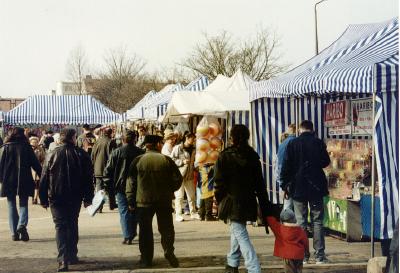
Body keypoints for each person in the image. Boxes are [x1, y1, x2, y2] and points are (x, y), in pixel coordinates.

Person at [214, 124, 269, 273]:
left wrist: (219, 200)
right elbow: (260, 184)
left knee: (240, 234)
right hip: (249, 201)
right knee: (237, 230)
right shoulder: (253, 156)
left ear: (231, 138)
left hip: (231, 201)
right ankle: (232, 263)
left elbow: (218, 183)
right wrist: (265, 206)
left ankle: (254, 268)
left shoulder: (224, 156)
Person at [39, 128, 94, 272]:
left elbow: (44, 178)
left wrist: (43, 198)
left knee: (60, 226)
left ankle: (63, 259)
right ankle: (72, 254)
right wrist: (88, 198)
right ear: (72, 138)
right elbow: (88, 179)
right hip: (75, 196)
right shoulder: (81, 154)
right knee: (72, 223)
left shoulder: (51, 154)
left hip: (56, 196)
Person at [126, 135, 182, 268]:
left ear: (146, 145)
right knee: (166, 228)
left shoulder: (138, 160)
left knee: (145, 231)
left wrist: (130, 200)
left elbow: (130, 183)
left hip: (143, 202)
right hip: (164, 200)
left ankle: (146, 259)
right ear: (157, 144)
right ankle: (169, 251)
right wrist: (170, 190)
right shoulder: (166, 160)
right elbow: (178, 179)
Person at [280, 120, 330, 264]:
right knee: (318, 221)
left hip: (298, 188)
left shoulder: (293, 144)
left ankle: (303, 256)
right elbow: (325, 162)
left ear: (300, 130)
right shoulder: (318, 143)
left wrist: (284, 185)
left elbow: (286, 167)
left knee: (301, 221)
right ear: (312, 130)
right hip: (316, 188)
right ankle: (320, 256)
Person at [0, 127, 42, 241]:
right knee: (23, 204)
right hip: (24, 179)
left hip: (8, 180)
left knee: (11, 205)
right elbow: (35, 164)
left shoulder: (5, 148)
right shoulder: (27, 147)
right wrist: (43, 175)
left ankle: (14, 233)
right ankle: (22, 225)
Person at [103, 130, 144, 245]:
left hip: (120, 186)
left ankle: (128, 235)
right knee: (135, 209)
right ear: (135, 140)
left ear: (122, 139)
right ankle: (132, 232)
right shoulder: (140, 152)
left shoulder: (116, 152)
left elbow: (108, 171)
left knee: (124, 211)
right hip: (137, 186)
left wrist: (107, 187)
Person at [265, 207, 309, 273]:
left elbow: (271, 221)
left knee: (289, 271)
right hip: (299, 255)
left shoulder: (279, 228)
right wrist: (307, 252)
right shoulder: (300, 230)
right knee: (298, 271)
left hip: (287, 256)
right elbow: (305, 241)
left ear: (282, 220)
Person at [171, 132, 200, 222]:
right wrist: (182, 162)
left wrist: (195, 166)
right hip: (180, 175)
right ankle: (178, 214)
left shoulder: (194, 149)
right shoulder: (178, 148)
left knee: (191, 195)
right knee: (179, 196)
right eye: (192, 139)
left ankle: (193, 212)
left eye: (194, 139)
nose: (193, 141)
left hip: (189, 175)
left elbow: (194, 160)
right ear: (187, 138)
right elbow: (172, 160)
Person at [91, 128, 117, 212]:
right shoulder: (111, 142)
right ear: (110, 133)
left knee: (99, 188)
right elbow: (113, 156)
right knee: (110, 186)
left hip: (97, 168)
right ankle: (112, 204)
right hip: (107, 168)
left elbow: (92, 155)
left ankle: (99, 207)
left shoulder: (97, 141)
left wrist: (94, 165)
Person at [276, 124, 296, 210]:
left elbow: (278, 164)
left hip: (283, 178)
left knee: (287, 205)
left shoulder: (282, 144)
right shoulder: (294, 142)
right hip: (291, 179)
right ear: (297, 131)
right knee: (290, 206)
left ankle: (285, 221)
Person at [29, 136, 46, 205]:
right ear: (30, 142)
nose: (34, 143)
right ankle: (33, 197)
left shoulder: (40, 149)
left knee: (37, 185)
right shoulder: (28, 149)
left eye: (36, 142)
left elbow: (44, 159)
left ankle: (35, 198)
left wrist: (41, 165)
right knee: (31, 185)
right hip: (30, 170)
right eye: (33, 142)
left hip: (37, 170)